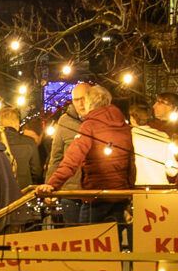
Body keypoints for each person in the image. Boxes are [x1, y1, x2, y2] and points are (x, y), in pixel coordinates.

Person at [26, 81, 136, 224]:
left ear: (90, 103)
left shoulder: (90, 125)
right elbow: (131, 163)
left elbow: (72, 159)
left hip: (95, 196)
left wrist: (52, 184)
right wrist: (129, 191)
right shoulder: (123, 125)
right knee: (113, 241)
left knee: (87, 239)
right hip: (119, 195)